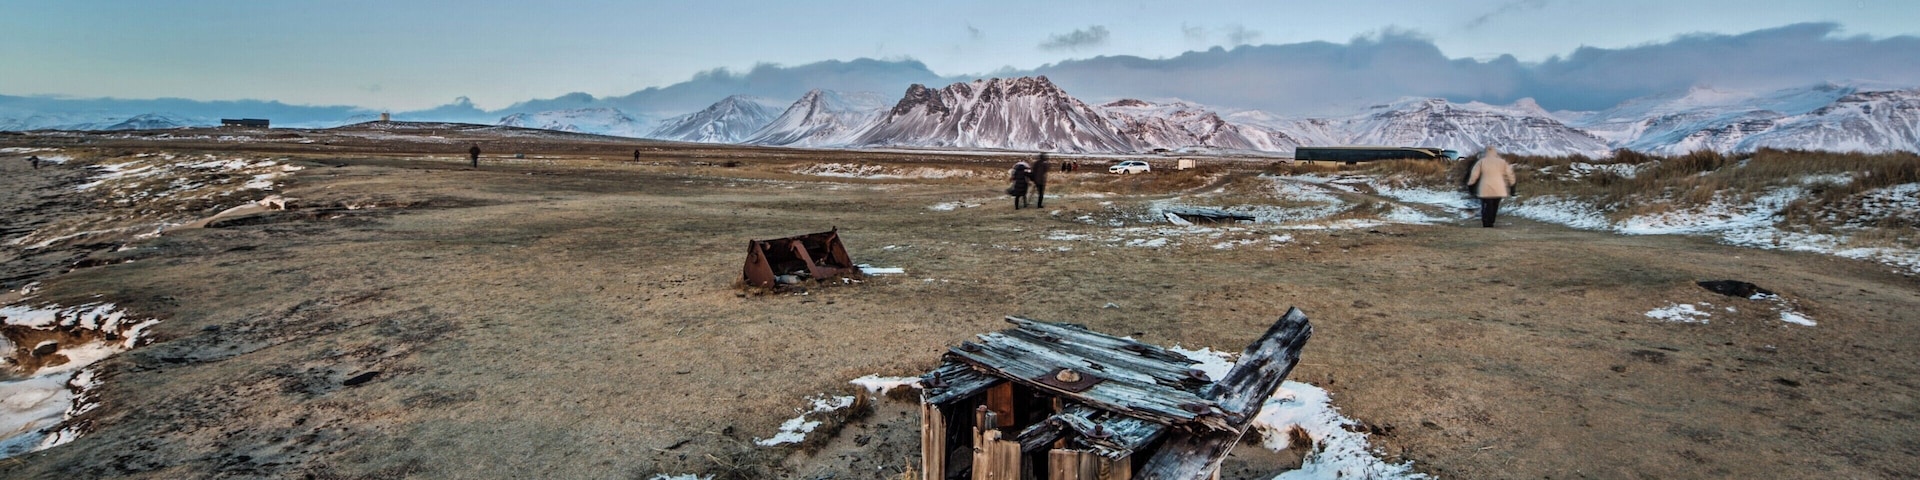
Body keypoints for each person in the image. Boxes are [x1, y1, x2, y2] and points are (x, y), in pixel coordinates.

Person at [1465, 146, 1516, 228]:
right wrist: (1512, 186)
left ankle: (1486, 222)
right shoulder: (1502, 162)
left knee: (1486, 205)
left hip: (1485, 187)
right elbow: (1510, 175)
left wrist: (1470, 185)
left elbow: (1474, 175)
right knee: (1495, 205)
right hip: (1499, 188)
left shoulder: (1481, 162)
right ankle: (1491, 221)